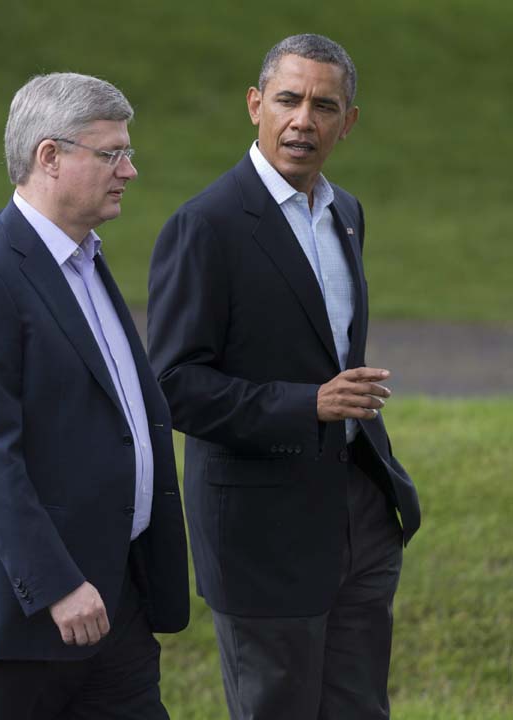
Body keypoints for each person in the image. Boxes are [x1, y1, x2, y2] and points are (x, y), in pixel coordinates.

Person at [0, 72, 189, 720]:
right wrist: (57, 586)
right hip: (16, 613)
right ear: (48, 156)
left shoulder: (85, 260)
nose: (129, 170)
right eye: (112, 153)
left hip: (113, 598)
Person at [147, 34, 421, 720]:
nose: (304, 120)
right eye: (288, 100)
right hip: (260, 536)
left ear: (347, 121)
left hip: (357, 516)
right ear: (254, 105)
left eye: (324, 105)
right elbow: (174, 383)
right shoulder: (205, 226)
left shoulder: (347, 214)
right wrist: (311, 404)